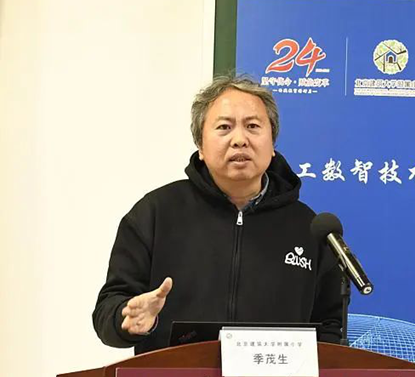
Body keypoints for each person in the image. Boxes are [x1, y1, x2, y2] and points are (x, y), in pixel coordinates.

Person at [92, 75, 342, 354]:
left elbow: (329, 326)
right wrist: (127, 319)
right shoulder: (156, 213)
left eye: (253, 126)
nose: (240, 140)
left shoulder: (309, 227)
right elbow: (108, 311)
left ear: (272, 144)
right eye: (224, 127)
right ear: (200, 146)